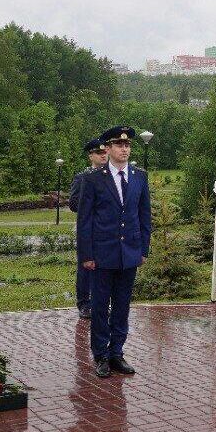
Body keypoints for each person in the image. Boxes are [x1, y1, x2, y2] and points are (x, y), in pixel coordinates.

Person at [76, 126, 152, 378]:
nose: (124, 149)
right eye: (119, 146)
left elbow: (144, 216)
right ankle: (100, 355)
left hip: (129, 253)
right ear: (108, 149)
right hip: (101, 255)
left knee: (122, 306)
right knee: (99, 307)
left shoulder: (139, 177)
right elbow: (84, 220)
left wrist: (143, 249)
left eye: (128, 145)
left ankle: (117, 352)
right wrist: (86, 255)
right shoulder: (93, 178)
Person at [68, 138, 108, 320]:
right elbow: (74, 203)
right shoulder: (83, 177)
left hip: (107, 229)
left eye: (105, 152)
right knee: (85, 267)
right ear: (91, 156)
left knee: (105, 267)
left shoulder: (111, 176)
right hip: (89, 228)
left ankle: (101, 302)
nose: (103, 156)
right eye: (99, 153)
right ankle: (84, 303)